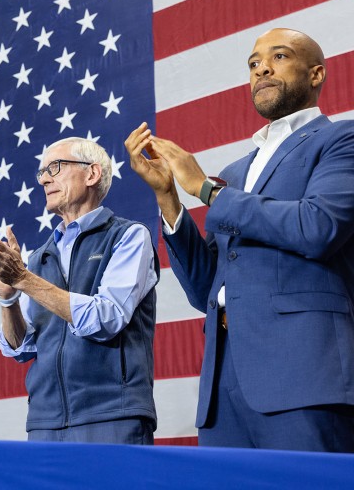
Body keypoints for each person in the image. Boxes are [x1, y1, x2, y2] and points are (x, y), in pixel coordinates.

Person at [125, 28, 354, 452]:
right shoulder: (236, 171)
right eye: (253, 64)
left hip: (302, 374)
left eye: (279, 56)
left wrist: (209, 192)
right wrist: (168, 195)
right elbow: (204, 287)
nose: (262, 68)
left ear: (317, 74)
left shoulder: (341, 140)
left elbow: (318, 227)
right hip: (224, 385)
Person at [0, 137, 158, 443]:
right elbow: (20, 346)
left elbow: (106, 318)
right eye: (41, 172)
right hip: (45, 423)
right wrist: (8, 297)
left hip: (112, 415)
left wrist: (24, 280)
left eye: (55, 167)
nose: (43, 179)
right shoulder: (37, 258)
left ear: (91, 174)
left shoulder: (128, 236)